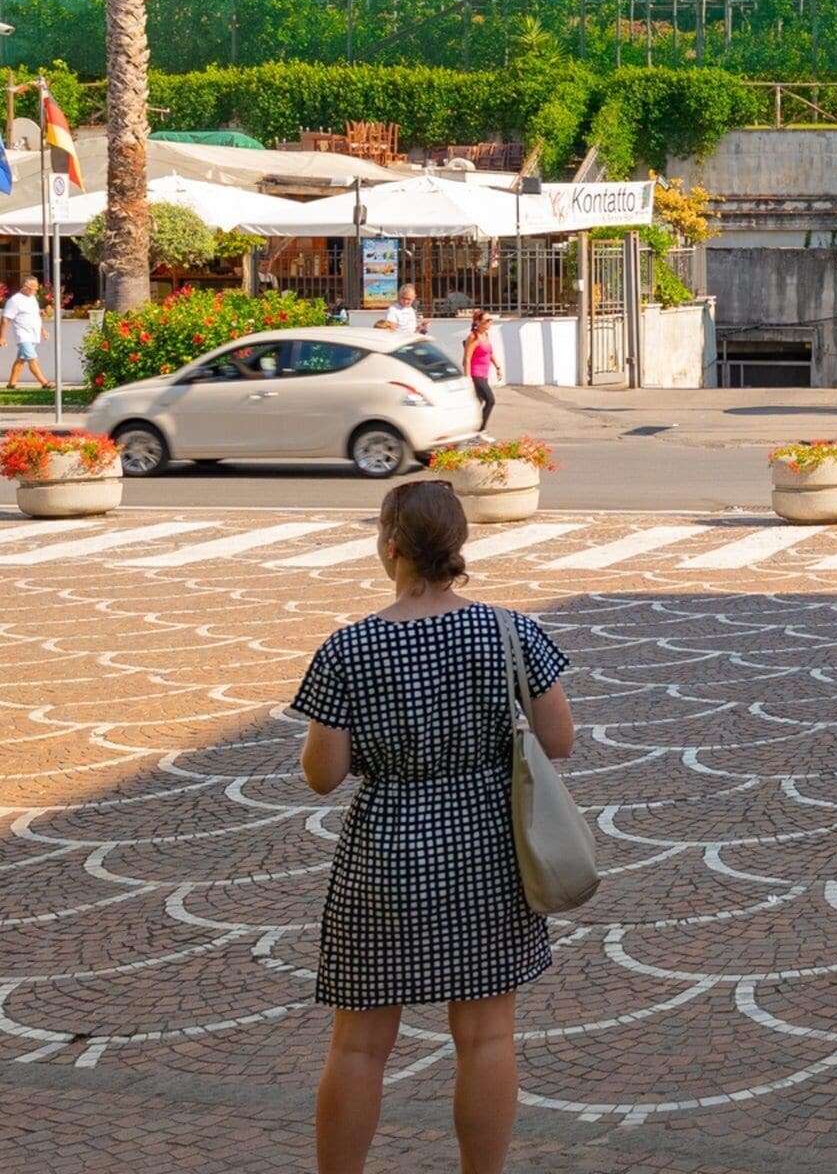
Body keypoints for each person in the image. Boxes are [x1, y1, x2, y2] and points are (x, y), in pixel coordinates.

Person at [297, 478, 578, 1174]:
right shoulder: (510, 630)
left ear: (390, 548)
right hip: (487, 845)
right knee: (485, 1037)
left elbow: (322, 773)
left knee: (358, 1046)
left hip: (384, 851)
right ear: (458, 546)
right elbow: (559, 738)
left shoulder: (349, 648)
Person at [0, 277, 48, 390]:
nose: (36, 291)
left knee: (20, 360)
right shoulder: (15, 300)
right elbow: (5, 319)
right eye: (34, 289)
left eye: (37, 289)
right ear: (25, 288)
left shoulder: (32, 298)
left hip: (33, 335)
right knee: (32, 359)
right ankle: (44, 382)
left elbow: (36, 317)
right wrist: (1, 337)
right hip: (23, 335)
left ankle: (11, 384)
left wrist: (43, 330)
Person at [464, 310, 500, 430]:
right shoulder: (473, 337)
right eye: (487, 320)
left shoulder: (485, 335)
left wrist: (497, 367)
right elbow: (467, 358)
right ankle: (479, 431)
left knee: (477, 403)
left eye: (490, 320)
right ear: (477, 322)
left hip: (484, 374)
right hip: (476, 373)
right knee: (490, 400)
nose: (490, 322)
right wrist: (468, 377)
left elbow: (489, 353)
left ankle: (467, 429)